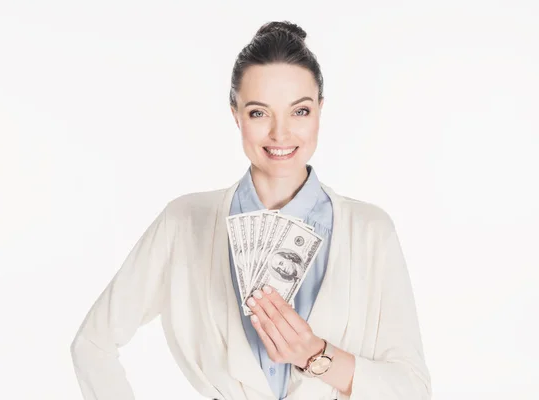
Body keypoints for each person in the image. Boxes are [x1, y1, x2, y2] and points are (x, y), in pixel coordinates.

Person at [70, 20, 432, 400]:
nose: (280, 134)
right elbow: (92, 343)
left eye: (300, 111)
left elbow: (412, 388)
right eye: (259, 113)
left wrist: (314, 354)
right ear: (236, 113)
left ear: (320, 111)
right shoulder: (185, 222)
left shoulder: (370, 231)